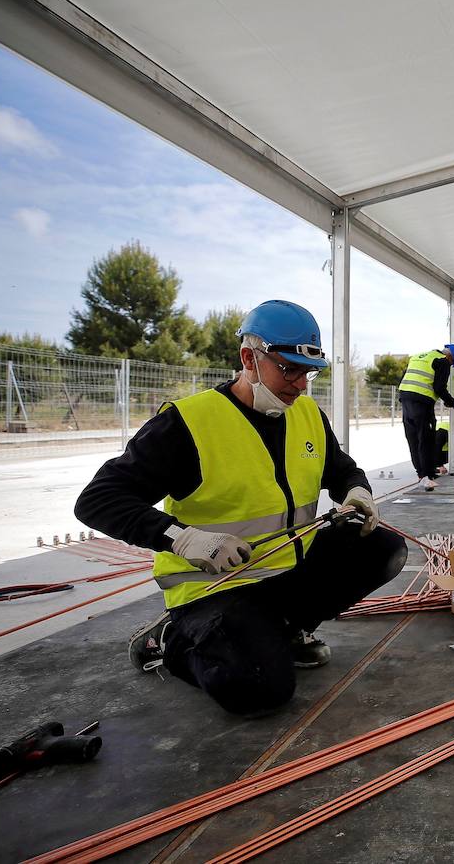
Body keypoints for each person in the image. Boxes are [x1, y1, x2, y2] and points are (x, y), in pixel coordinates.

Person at [75, 300, 407, 717]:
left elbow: (341, 470)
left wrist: (357, 493)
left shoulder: (306, 415)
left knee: (381, 548)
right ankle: (172, 640)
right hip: (214, 589)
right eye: (289, 369)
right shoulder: (188, 423)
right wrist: (183, 538)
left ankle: (286, 630)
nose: (301, 385)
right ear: (249, 358)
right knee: (260, 690)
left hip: (284, 575)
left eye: (308, 372)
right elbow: (98, 499)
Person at [398, 345, 454, 491]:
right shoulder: (443, 361)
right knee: (426, 439)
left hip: (405, 399)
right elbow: (439, 388)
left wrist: (403, 397)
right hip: (422, 403)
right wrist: (453, 403)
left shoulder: (418, 356)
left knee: (413, 438)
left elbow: (404, 377)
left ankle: (421, 474)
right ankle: (428, 475)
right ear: (451, 357)